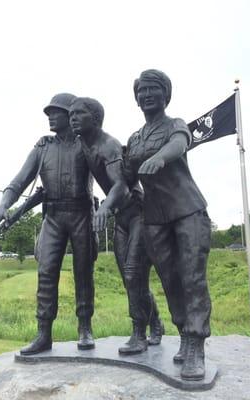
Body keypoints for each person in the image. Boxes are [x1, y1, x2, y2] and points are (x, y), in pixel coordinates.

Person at [125, 70, 212, 380]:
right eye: (141, 91)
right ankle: (184, 335)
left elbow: (179, 144)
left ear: (165, 95)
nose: (146, 95)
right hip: (155, 218)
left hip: (188, 211)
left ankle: (196, 345)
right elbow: (122, 178)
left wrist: (160, 158)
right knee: (171, 280)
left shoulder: (175, 125)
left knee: (192, 278)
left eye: (153, 90)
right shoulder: (134, 139)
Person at [0, 93, 96, 355]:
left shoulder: (87, 144)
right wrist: (4, 203)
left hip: (81, 214)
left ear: (70, 115)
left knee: (83, 272)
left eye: (56, 111)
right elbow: (19, 181)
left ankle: (85, 327)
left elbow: (110, 176)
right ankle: (43, 334)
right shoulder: (42, 148)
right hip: (52, 217)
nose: (50, 116)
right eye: (49, 112)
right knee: (46, 273)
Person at [69, 97, 163, 355]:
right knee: (130, 279)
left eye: (79, 114)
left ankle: (139, 335)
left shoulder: (107, 146)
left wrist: (104, 207)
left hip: (138, 214)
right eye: (71, 114)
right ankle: (156, 323)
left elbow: (121, 185)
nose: (72, 118)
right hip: (121, 217)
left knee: (133, 273)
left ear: (96, 119)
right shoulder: (82, 144)